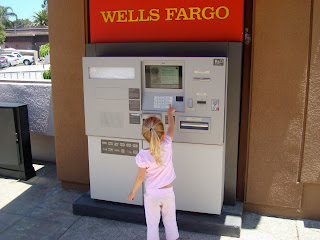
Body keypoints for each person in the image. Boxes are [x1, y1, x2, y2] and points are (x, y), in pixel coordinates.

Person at [127, 104, 179, 240]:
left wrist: (133, 192)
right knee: (170, 222)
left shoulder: (142, 156)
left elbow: (140, 177)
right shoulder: (167, 144)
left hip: (152, 196)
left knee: (152, 226)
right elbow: (172, 128)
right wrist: (169, 114)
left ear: (145, 135)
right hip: (168, 193)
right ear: (162, 134)